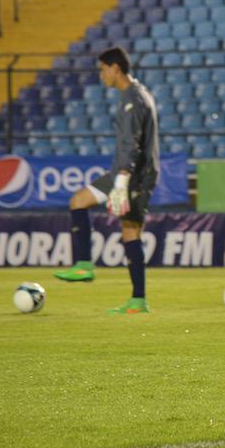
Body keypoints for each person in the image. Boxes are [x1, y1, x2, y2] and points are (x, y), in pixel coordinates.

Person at [54, 47, 160, 316]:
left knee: (131, 231)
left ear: (115, 68)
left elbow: (131, 144)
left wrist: (123, 181)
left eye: (102, 69)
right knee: (78, 201)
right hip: (123, 172)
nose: (101, 75)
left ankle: (138, 300)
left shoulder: (134, 99)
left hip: (135, 175)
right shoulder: (132, 95)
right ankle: (84, 265)